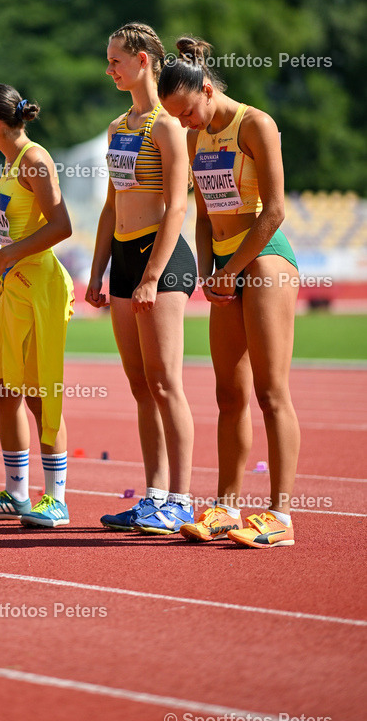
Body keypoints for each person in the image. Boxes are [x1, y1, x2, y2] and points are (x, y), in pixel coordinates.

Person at [158, 37, 300, 548]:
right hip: (222, 266)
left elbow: (275, 210)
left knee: (270, 391)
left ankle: (281, 515)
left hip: (263, 259)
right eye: (176, 119)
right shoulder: (196, 138)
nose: (185, 125)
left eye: (188, 113)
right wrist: (207, 268)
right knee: (228, 394)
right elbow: (202, 215)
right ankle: (225, 506)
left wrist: (233, 267)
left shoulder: (255, 124)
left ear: (208, 89)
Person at [86, 22, 197, 535]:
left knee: (166, 381)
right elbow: (111, 204)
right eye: (108, 60)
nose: (109, 68)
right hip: (125, 262)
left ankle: (181, 498)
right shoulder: (117, 127)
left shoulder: (167, 126)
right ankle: (154, 495)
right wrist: (97, 270)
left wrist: (153, 275)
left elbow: (178, 204)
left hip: (164, 259)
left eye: (116, 60)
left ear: (143, 61)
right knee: (139, 384)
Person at [0, 84, 74, 528]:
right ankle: (16, 495)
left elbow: (62, 226)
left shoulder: (34, 159)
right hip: (14, 288)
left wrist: (7, 256)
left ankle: (57, 500)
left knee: (41, 396)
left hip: (42, 288)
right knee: (6, 394)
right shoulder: (7, 162)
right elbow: (12, 235)